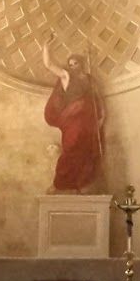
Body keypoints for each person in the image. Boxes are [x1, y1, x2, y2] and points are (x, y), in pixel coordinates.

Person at [41, 38, 106, 190]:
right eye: (70, 65)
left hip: (88, 123)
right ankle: (61, 182)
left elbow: (98, 101)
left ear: (82, 64)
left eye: (75, 63)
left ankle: (81, 183)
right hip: (72, 122)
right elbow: (49, 64)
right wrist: (46, 48)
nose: (72, 67)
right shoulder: (66, 76)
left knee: (87, 152)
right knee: (71, 147)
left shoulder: (90, 80)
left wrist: (102, 117)